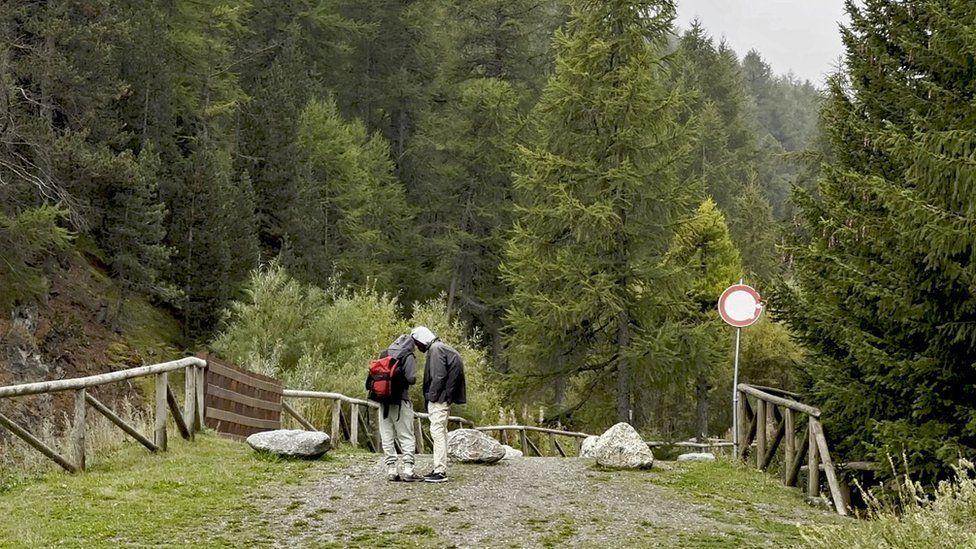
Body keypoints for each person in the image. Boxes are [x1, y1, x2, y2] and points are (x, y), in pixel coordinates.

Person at [410, 326, 466, 483]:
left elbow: (438, 376)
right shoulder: (442, 347)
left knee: (437, 432)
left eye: (417, 343)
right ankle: (439, 468)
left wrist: (432, 397)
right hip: (445, 398)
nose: (417, 347)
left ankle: (440, 471)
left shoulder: (435, 350)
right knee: (441, 431)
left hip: (439, 400)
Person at [373, 334, 422, 482]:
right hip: (401, 400)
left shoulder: (384, 353)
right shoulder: (408, 356)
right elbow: (411, 379)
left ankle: (391, 469)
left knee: (387, 434)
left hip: (383, 401)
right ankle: (408, 469)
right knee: (406, 434)